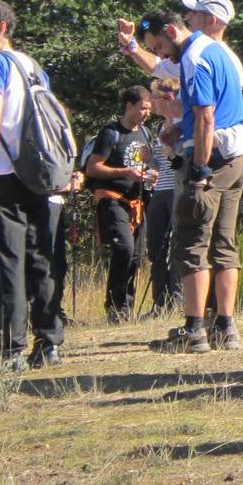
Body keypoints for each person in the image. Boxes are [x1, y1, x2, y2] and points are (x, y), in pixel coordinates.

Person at [138, 8, 243, 353]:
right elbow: (210, 109)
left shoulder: (194, 57)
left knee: (191, 242)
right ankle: (226, 327)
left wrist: (200, 170)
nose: (158, 52)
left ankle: (194, 330)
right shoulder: (220, 51)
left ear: (172, 31)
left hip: (213, 160)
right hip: (238, 157)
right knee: (224, 242)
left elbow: (206, 116)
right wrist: (179, 128)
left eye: (157, 44)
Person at [0, 0, 64, 368]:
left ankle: (10, 351)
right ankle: (49, 342)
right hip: (39, 174)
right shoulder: (33, 66)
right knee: (42, 257)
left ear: (1, 26)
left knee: (7, 260)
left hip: (4, 174)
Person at [85, 85, 157, 323]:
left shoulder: (145, 134)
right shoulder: (111, 133)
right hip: (112, 199)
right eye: (142, 108)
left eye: (149, 109)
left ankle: (127, 308)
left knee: (136, 255)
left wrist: (151, 174)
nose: (146, 113)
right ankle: (114, 307)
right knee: (123, 249)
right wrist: (126, 171)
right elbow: (93, 167)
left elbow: (148, 164)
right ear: (129, 106)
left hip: (137, 201)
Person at [142, 77, 183, 317]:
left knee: (176, 246)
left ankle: (177, 299)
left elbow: (177, 158)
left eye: (154, 98)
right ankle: (160, 301)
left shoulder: (180, 125)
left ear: (168, 98)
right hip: (160, 192)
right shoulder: (160, 128)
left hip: (177, 191)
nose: (151, 103)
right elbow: (162, 161)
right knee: (156, 247)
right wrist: (151, 162)